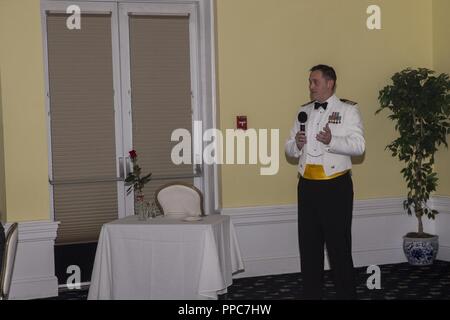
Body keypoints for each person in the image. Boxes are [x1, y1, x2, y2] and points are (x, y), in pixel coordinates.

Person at [285, 64, 365, 299]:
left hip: (335, 188)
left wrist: (333, 140)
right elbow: (289, 148)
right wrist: (297, 144)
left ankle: (346, 295)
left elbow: (359, 147)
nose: (311, 87)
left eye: (315, 82)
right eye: (310, 82)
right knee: (309, 248)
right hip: (307, 186)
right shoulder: (304, 111)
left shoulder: (348, 110)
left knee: (338, 248)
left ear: (330, 83)